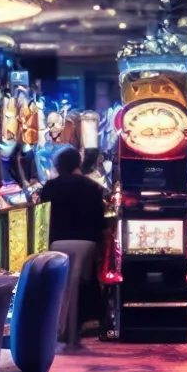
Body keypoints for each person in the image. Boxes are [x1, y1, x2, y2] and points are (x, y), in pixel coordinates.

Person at [43, 145, 108, 347]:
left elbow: (44, 220)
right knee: (84, 279)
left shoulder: (50, 187)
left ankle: (58, 324)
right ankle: (87, 321)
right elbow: (101, 223)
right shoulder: (93, 187)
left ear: (59, 167)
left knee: (60, 281)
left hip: (58, 241)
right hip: (87, 242)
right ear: (78, 164)